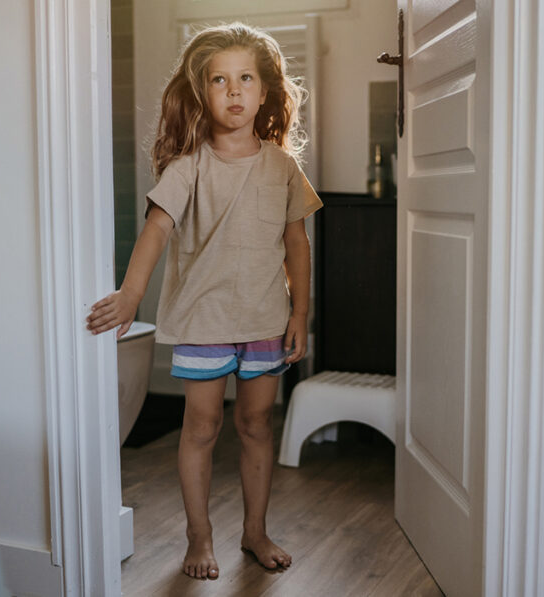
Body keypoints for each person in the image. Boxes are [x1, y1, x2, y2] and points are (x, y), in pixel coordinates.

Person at [85, 23, 322, 581]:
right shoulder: (188, 165)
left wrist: (300, 314)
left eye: (246, 79)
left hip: (265, 321)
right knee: (201, 427)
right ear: (202, 93)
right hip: (202, 324)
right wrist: (130, 296)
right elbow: (156, 230)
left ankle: (255, 531)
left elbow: (296, 245)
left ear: (265, 92)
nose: (234, 91)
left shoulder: (283, 166)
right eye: (220, 80)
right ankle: (200, 536)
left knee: (258, 425)